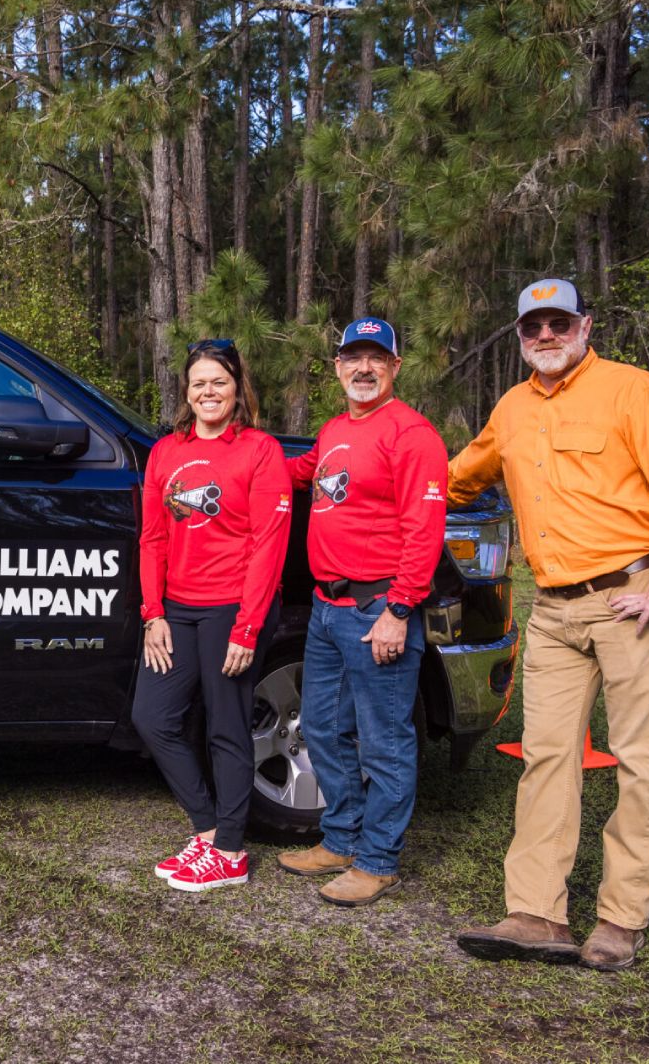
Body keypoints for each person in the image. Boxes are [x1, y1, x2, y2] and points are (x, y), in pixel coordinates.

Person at [450, 279, 649, 971]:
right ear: (517, 337)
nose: (544, 336)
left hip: (633, 595)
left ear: (583, 325)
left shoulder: (634, 391)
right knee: (544, 758)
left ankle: (620, 919)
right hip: (554, 609)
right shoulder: (509, 408)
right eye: (531, 326)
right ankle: (535, 914)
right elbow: (456, 480)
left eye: (557, 322)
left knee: (641, 763)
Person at [276, 317, 448, 906]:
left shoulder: (413, 435)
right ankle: (341, 838)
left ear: (396, 367)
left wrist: (399, 609)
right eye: (353, 358)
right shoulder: (332, 433)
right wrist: (235, 453)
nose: (364, 369)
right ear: (338, 367)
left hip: (378, 607)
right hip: (327, 608)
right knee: (322, 727)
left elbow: (424, 532)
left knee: (384, 743)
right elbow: (302, 474)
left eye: (377, 358)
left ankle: (378, 860)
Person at [134, 341, 291, 893]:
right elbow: (152, 539)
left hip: (231, 608)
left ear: (237, 388)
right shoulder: (165, 453)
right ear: (186, 391)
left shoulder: (259, 450)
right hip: (176, 610)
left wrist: (248, 627)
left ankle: (230, 851)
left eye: (218, 382)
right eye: (198, 382)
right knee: (152, 716)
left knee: (227, 727)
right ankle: (207, 830)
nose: (208, 392)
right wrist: (153, 613)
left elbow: (268, 544)